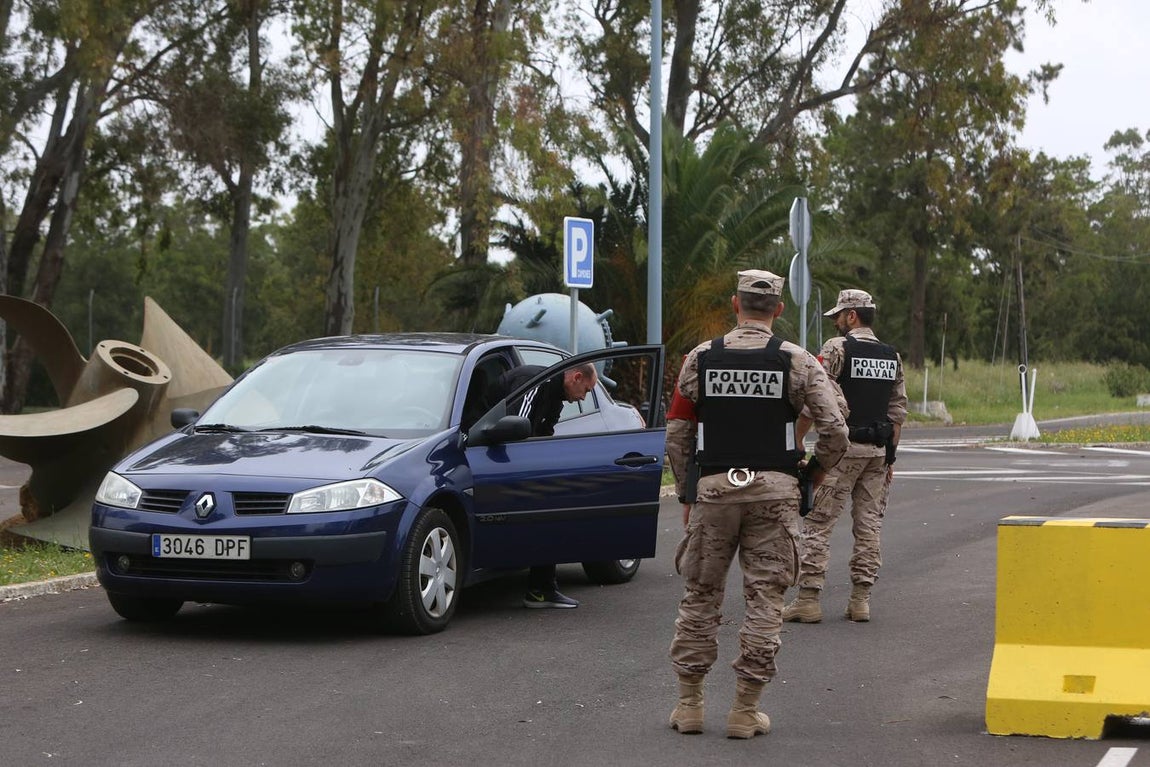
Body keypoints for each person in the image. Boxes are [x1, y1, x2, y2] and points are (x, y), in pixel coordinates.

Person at [666, 269, 849, 739]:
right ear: (779, 310)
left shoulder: (700, 358)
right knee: (765, 599)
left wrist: (688, 490)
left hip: (714, 492)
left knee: (700, 595)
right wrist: (814, 473)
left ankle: (689, 706)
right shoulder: (799, 361)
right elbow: (835, 429)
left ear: (736, 304)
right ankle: (744, 711)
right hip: (775, 492)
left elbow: (678, 432)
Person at [783, 289, 908, 624]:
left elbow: (815, 400)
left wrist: (796, 440)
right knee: (869, 527)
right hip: (877, 454)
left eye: (839, 315)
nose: (836, 321)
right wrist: (890, 458)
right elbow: (897, 411)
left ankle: (808, 600)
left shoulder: (836, 348)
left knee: (818, 523)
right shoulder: (891, 356)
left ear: (852, 316)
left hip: (842, 451)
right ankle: (860, 601)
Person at [485, 361, 599, 609]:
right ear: (576, 377)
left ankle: (542, 588)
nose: (583, 398)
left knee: (556, 501)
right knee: (549, 508)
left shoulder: (556, 396)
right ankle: (541, 588)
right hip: (488, 455)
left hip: (505, 456)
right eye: (586, 391)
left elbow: (544, 436)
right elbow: (515, 430)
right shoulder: (536, 382)